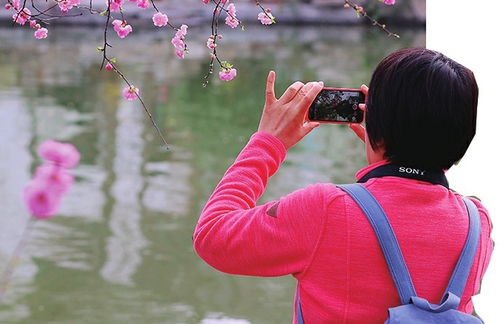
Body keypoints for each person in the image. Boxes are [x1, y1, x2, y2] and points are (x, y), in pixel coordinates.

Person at [193, 47, 493, 322]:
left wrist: (267, 143)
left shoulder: (326, 210)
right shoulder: (477, 224)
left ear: (376, 122)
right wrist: (387, 155)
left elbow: (212, 236)